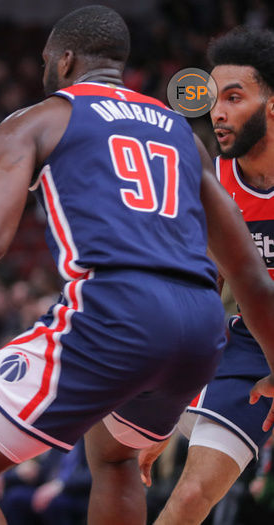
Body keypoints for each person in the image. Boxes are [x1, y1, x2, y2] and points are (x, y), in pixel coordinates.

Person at [0, 6, 274, 524]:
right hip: (199, 327)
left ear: (62, 61)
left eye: (44, 61)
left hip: (116, 311)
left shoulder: (38, 120)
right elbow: (250, 277)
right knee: (115, 456)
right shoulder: (179, 131)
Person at [138, 27, 274, 524]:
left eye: (234, 98)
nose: (217, 112)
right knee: (191, 496)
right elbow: (201, 294)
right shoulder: (216, 182)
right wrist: (162, 418)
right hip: (255, 341)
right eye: (214, 99)